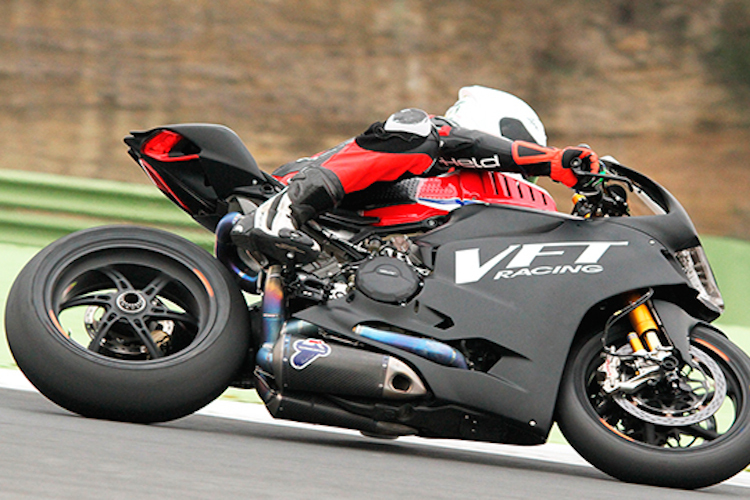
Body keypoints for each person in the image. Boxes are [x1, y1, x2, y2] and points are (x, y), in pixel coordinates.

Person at [231, 85, 600, 264]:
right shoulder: (438, 145)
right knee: (421, 131)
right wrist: (552, 161)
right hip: (309, 198)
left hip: (354, 264)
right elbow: (457, 142)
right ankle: (283, 211)